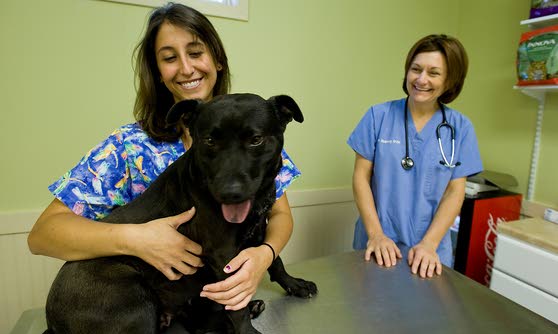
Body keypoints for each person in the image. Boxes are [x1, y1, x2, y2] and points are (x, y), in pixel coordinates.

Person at [27, 2, 300, 311]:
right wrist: (138, 239)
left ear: (218, 60)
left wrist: (266, 254)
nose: (186, 68)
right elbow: (42, 236)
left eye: (196, 53)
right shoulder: (127, 147)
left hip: (205, 310)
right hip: (143, 306)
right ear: (157, 72)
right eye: (170, 58)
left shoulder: (256, 132)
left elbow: (279, 215)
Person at [347, 34, 482, 279]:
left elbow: (455, 192)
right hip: (376, 244)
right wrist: (376, 235)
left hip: (429, 252)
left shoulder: (460, 128)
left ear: (450, 80)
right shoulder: (378, 116)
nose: (421, 79)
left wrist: (429, 244)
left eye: (433, 73)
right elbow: (360, 178)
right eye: (416, 69)